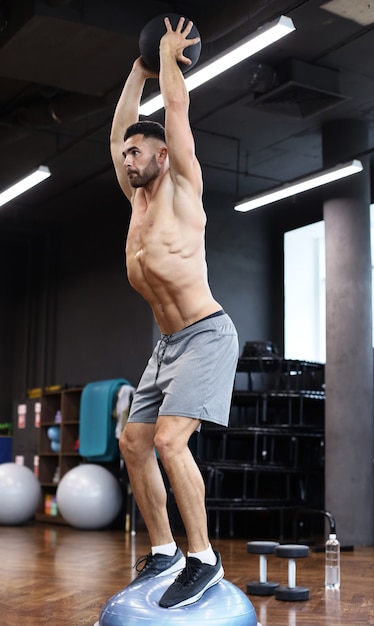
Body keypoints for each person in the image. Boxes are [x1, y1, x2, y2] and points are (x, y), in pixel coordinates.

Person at [110, 16, 239, 609]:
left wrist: (165, 58)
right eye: (128, 154)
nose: (129, 159)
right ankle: (163, 552)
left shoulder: (182, 186)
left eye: (139, 151)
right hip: (165, 346)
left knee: (168, 441)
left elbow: (178, 113)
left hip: (207, 335)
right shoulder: (136, 200)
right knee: (133, 442)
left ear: (163, 154)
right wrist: (136, 73)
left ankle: (203, 559)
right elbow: (116, 136)